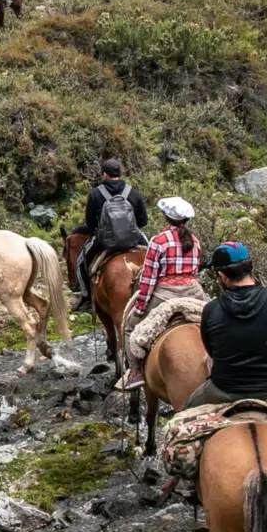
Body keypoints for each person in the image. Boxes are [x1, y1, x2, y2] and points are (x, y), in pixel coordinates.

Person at [184, 241, 267, 410]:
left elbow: (212, 352)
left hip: (222, 391)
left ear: (222, 275)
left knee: (186, 412)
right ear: (251, 268)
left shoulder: (211, 310)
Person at [119, 197, 205, 389]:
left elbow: (149, 278)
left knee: (129, 326)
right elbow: (195, 272)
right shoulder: (195, 241)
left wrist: (140, 307)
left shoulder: (158, 241)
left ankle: (135, 372)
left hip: (165, 293)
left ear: (166, 216)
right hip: (193, 292)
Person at [73, 159, 148, 310]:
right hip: (133, 239)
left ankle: (86, 297)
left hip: (104, 241)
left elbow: (90, 223)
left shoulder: (95, 194)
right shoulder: (133, 192)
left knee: (80, 260)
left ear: (104, 174)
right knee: (155, 254)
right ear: (120, 174)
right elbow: (143, 221)